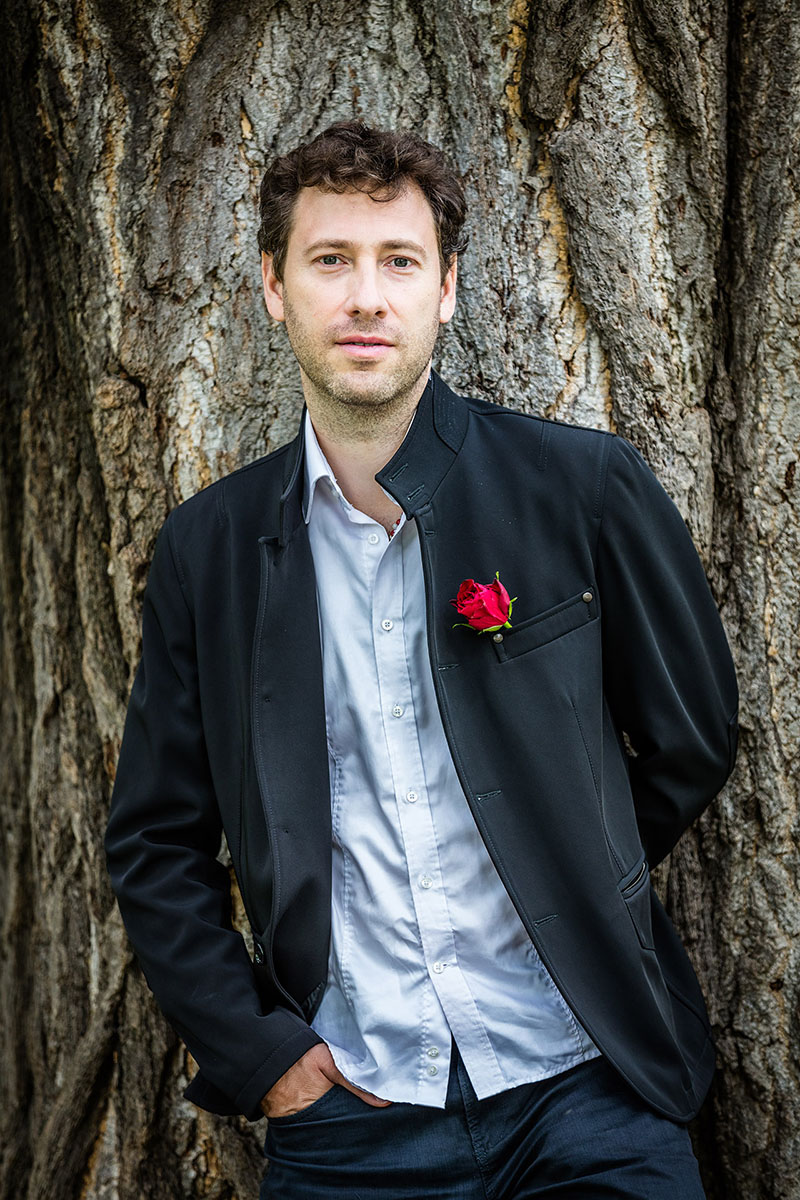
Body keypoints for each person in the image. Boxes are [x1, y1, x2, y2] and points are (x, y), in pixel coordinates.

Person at [105, 121, 739, 1198]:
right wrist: (266, 1063)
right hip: (349, 1114)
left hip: (590, 1084)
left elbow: (689, 737)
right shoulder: (209, 551)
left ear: (445, 289)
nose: (364, 297)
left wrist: (572, 868)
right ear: (273, 287)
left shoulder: (580, 488)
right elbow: (157, 841)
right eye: (329, 260)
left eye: (398, 261)